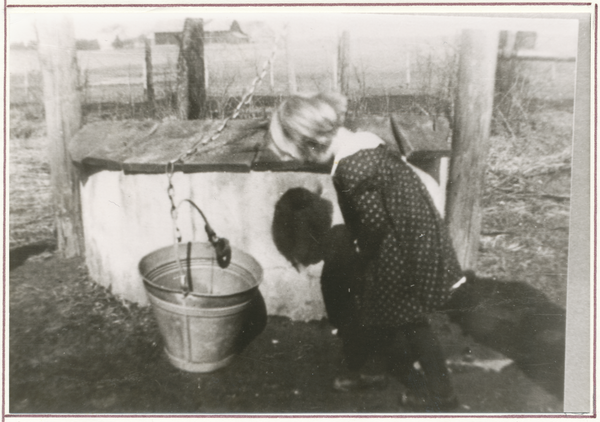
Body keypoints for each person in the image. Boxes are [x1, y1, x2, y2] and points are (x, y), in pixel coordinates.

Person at [269, 92, 464, 412]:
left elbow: (374, 225)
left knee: (411, 322)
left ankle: (443, 394)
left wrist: (361, 252)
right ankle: (374, 370)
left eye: (300, 155)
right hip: (405, 240)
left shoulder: (354, 168)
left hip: (402, 250)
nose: (302, 162)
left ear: (311, 144)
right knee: (374, 305)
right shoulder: (362, 144)